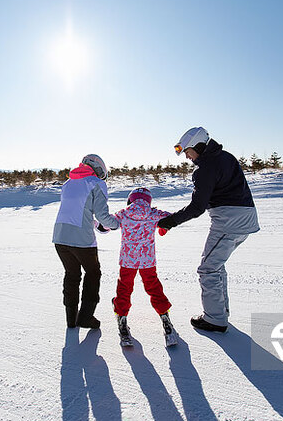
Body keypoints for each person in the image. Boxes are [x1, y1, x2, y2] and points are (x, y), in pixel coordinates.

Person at [158, 127, 259, 332]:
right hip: (247, 218)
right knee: (216, 265)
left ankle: (214, 319)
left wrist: (169, 222)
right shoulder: (226, 157)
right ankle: (220, 313)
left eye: (187, 151)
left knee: (207, 269)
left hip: (228, 222)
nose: (186, 156)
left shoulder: (205, 168)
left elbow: (197, 207)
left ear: (198, 146)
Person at [53, 154, 119, 329]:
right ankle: (86, 317)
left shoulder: (67, 184)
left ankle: (71, 319)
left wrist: (96, 225)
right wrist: (117, 224)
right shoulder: (97, 183)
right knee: (93, 273)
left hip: (60, 237)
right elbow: (103, 215)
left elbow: (79, 210)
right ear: (99, 169)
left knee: (72, 275)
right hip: (82, 241)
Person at [111, 187, 178, 345]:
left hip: (128, 260)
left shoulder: (124, 213)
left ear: (131, 199)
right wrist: (162, 227)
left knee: (124, 288)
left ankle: (122, 320)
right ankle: (165, 320)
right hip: (148, 260)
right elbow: (171, 219)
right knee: (153, 287)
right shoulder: (154, 214)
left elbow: (108, 223)